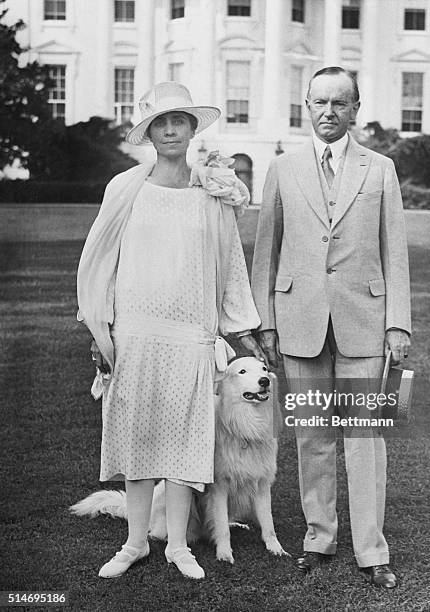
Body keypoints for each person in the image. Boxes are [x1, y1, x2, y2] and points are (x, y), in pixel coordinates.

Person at [77, 82, 264, 580]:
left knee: (185, 443)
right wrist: (102, 332)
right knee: (138, 440)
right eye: (160, 122)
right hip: (135, 331)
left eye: (177, 120)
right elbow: (100, 264)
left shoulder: (211, 191)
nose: (169, 130)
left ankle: (178, 546)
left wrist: (240, 327)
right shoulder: (125, 188)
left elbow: (231, 264)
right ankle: (135, 543)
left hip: (190, 333)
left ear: (192, 126)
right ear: (149, 132)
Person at [251, 67, 411, 588]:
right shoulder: (282, 167)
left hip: (366, 321)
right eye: (319, 102)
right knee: (313, 438)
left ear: (355, 109)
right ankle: (318, 538)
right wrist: (266, 321)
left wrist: (398, 325)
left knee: (366, 437)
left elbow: (395, 252)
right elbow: (265, 253)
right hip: (298, 322)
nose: (328, 112)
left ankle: (372, 550)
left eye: (339, 103)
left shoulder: (380, 169)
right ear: (306, 104)